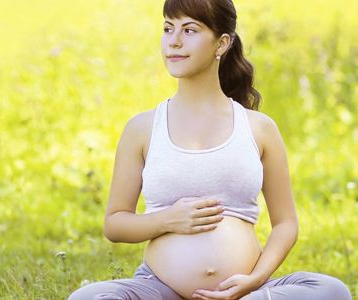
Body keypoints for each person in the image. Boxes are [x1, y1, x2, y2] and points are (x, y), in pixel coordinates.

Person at [67, 0, 353, 299]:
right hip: (161, 289)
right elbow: (115, 223)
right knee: (86, 298)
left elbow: (285, 224)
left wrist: (255, 280)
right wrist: (167, 220)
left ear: (222, 43)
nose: (174, 41)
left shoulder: (259, 128)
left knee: (332, 291)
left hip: (246, 292)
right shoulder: (142, 128)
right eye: (168, 28)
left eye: (189, 30)